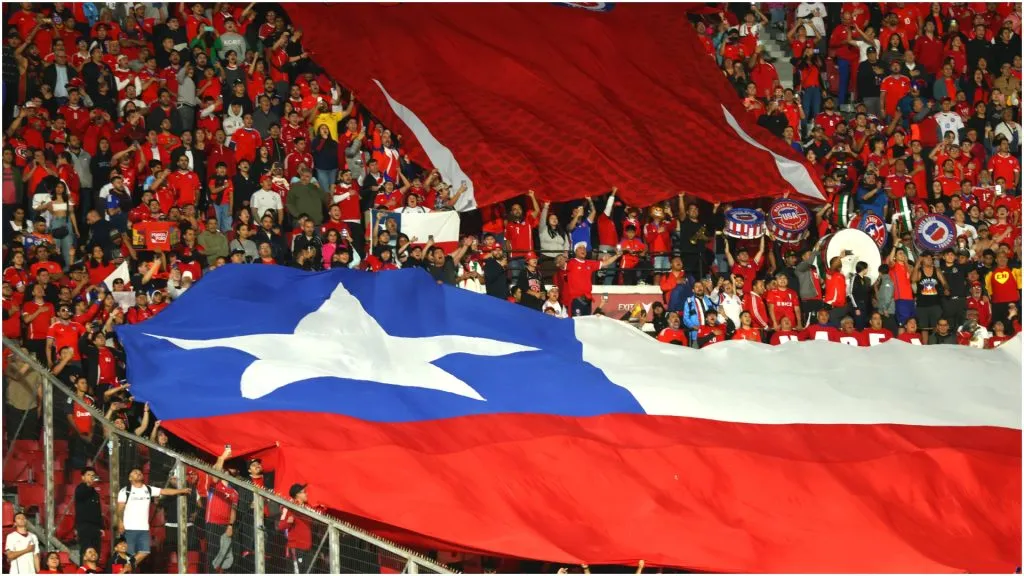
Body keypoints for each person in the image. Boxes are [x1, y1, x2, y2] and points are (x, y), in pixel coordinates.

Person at [116, 467, 190, 566]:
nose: (138, 473)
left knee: (145, 551)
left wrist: (181, 491)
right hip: (129, 528)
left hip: (144, 529)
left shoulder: (148, 489)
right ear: (130, 478)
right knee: (129, 554)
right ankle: (124, 569)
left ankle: (127, 567)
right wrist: (120, 522)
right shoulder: (125, 491)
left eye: (139, 472)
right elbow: (119, 509)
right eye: (135, 472)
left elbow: (165, 491)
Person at [564, 241, 621, 317]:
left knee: (587, 323)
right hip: (576, 299)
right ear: (575, 251)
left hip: (588, 300)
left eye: (584, 248)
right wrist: (562, 257)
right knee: (578, 324)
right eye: (580, 248)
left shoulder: (589, 263)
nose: (583, 250)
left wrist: (617, 255)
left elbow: (605, 263)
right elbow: (561, 265)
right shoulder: (571, 263)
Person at [74, 467, 104, 558]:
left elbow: (98, 511)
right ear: (83, 477)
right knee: (86, 552)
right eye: (88, 475)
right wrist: (88, 484)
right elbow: (82, 494)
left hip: (95, 528)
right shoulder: (80, 489)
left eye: (93, 475)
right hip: (84, 526)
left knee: (96, 552)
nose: (91, 477)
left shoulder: (95, 493)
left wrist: (101, 527)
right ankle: (84, 570)